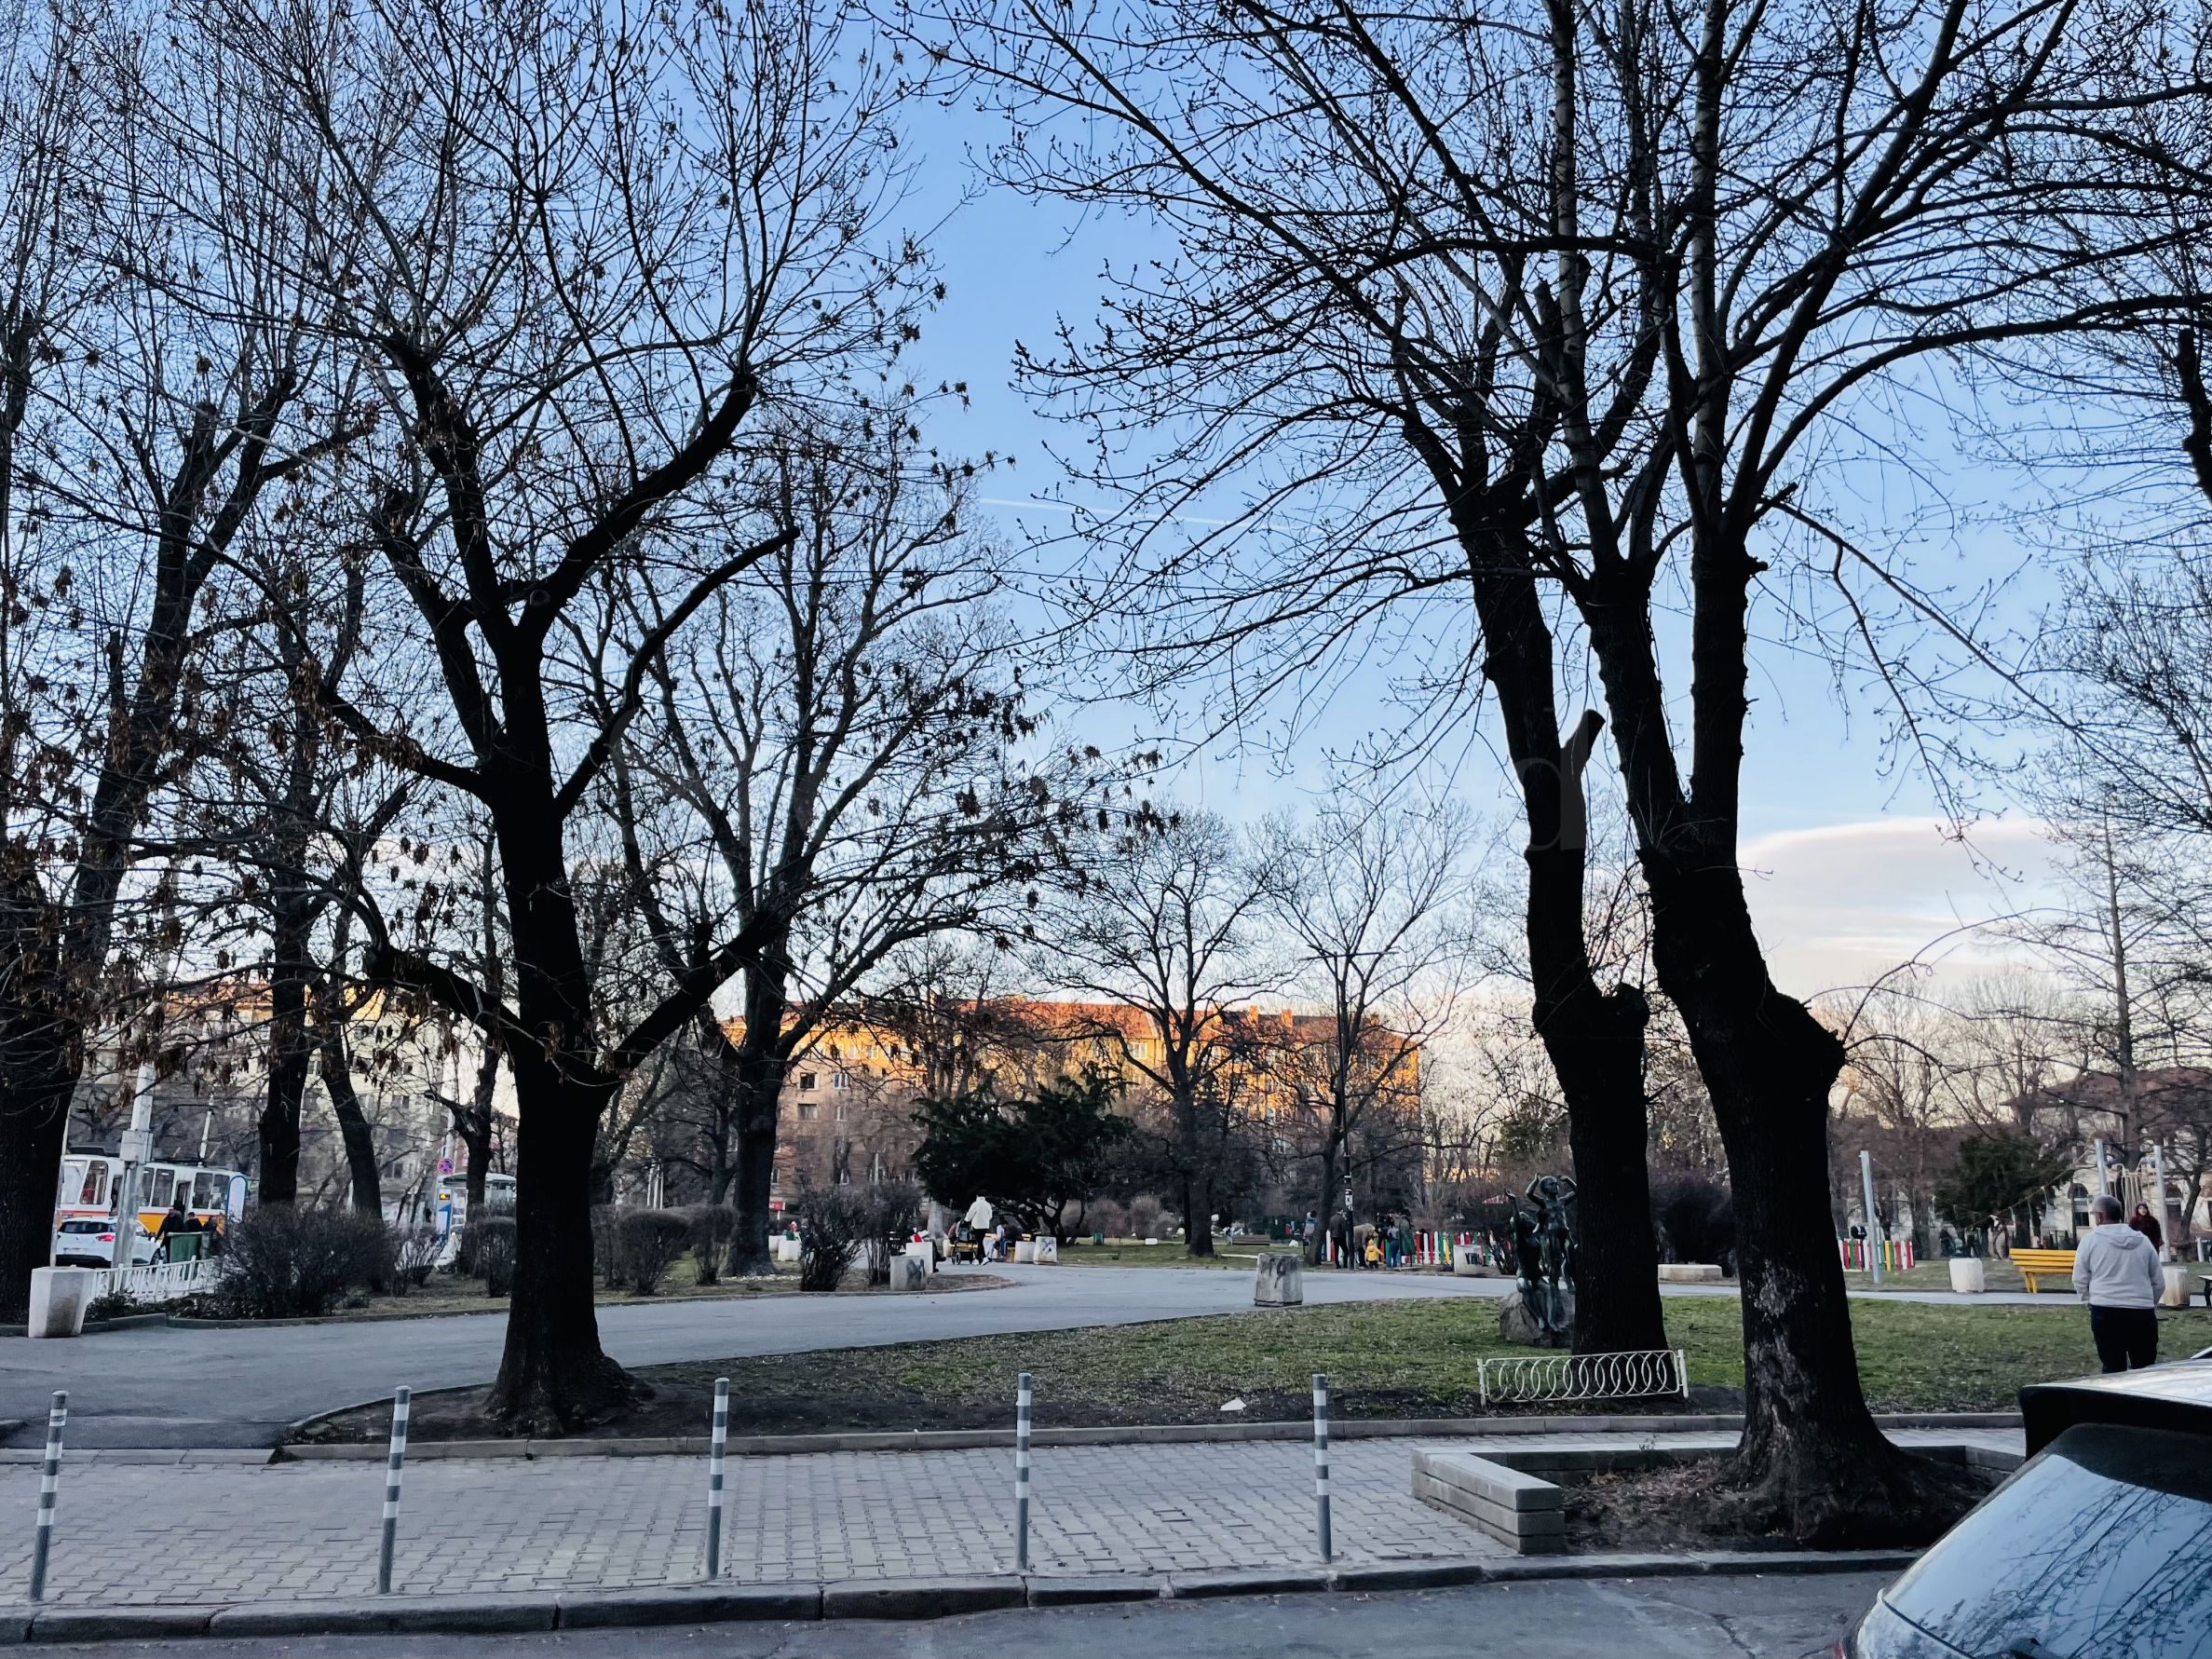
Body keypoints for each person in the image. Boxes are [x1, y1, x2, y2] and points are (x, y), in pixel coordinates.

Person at [2073, 1193, 2165, 1372]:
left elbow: (2079, 1278)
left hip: (2105, 1310)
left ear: (2100, 1216)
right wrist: (2148, 1303)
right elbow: (2158, 1282)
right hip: (2141, 1313)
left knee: (2112, 1370)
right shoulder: (2143, 1241)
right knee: (2145, 1370)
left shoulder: (2089, 1241)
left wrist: (2089, 1300)